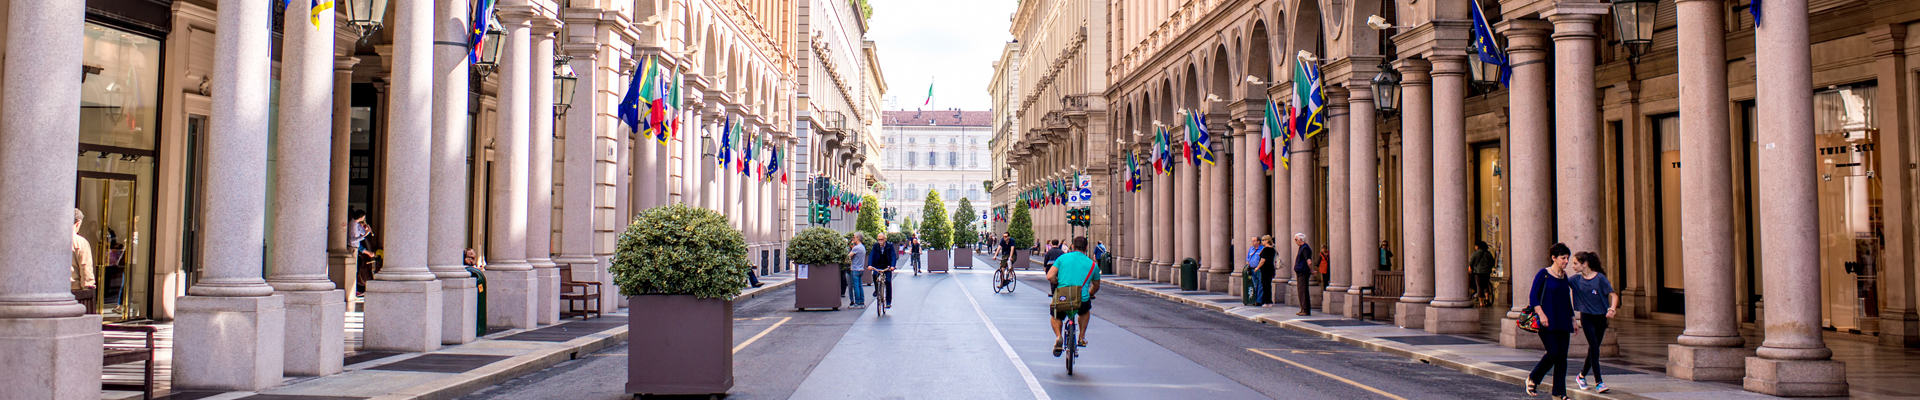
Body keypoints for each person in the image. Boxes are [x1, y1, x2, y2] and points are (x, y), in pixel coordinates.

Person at [1525, 243, 1577, 399]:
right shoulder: (1544, 274)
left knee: (1562, 358)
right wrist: (1541, 314)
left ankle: (1559, 393)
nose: (1566, 261)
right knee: (1553, 352)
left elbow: (1566, 300)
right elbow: (1534, 297)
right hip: (1547, 321)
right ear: (1553, 258)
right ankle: (1533, 377)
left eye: (1567, 258)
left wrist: (1573, 319)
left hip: (1563, 320)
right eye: (1563, 258)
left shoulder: (1564, 276)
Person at [1569, 251, 1617, 394]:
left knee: (1593, 349)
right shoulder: (1575, 279)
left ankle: (1581, 376)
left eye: (1575, 263)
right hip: (1587, 318)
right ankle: (1599, 382)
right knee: (1595, 347)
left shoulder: (1600, 278)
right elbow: (1559, 281)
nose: (1572, 266)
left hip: (1601, 318)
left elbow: (1613, 296)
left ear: (1585, 264)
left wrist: (1612, 309)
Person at [1047, 236, 1100, 354]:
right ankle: (1081, 337)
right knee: (1085, 311)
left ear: (1072, 246)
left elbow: (1050, 276)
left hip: (1062, 296)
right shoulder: (1092, 265)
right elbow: (1096, 285)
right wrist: (1090, 294)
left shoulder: (1062, 258)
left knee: (1056, 315)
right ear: (1086, 248)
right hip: (1081, 298)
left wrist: (1059, 282)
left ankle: (1058, 336)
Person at [71, 208, 97, 314]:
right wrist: (89, 287)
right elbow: (85, 268)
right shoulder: (80, 242)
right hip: (75, 290)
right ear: (78, 223)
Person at [870, 233, 897, 308]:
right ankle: (877, 290)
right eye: (879, 240)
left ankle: (888, 301)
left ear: (885, 239)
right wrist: (870, 265)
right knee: (875, 275)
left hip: (887, 266)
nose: (880, 241)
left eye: (881, 239)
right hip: (878, 265)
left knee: (888, 281)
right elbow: (872, 255)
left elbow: (893, 256)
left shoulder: (889, 245)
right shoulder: (876, 245)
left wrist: (892, 266)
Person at [1292, 233, 1314, 316]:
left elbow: (1309, 261)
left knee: (1303, 291)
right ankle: (1303, 309)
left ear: (1300, 240)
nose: (1295, 241)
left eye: (1296, 239)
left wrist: (1311, 270)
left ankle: (1305, 310)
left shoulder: (1305, 248)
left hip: (1303, 272)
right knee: (1301, 291)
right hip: (1301, 271)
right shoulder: (1302, 248)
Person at [1469, 241, 1497, 305]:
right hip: (1486, 271)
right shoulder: (1488, 253)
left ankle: (1481, 302)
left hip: (1478, 272)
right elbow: (1492, 262)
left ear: (1478, 246)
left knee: (1479, 286)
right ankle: (1487, 298)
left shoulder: (1475, 253)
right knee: (1486, 285)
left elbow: (1471, 262)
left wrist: (1471, 267)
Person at [846, 233, 868, 308]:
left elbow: (848, 256)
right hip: (861, 268)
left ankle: (857, 303)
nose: (853, 239)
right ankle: (862, 302)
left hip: (855, 269)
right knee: (860, 285)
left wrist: (852, 248)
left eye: (854, 237)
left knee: (856, 286)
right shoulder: (862, 247)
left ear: (858, 238)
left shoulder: (856, 248)